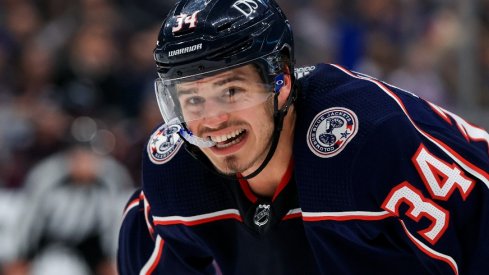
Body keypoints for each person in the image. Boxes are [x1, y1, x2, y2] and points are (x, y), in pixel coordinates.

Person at [117, 0, 489, 274]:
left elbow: (477, 228)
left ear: (281, 82)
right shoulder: (174, 171)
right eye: (193, 99)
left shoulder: (368, 139)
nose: (212, 120)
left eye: (231, 91)